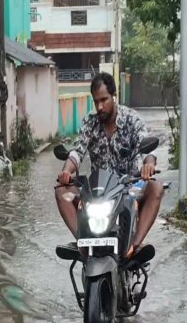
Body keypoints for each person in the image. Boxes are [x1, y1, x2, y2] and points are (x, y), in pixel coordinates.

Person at [55, 72, 163, 259]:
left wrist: (148, 165)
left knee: (156, 188)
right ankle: (83, 244)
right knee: (61, 192)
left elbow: (147, 150)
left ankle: (134, 246)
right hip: (98, 190)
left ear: (114, 96)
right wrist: (66, 171)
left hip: (128, 188)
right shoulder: (90, 121)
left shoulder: (131, 119)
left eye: (104, 100)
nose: (100, 106)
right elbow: (77, 152)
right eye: (96, 101)